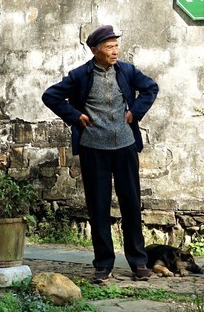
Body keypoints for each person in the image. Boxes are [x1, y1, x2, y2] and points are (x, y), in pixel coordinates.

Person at [43, 25, 160, 283]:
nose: (115, 51)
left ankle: (138, 262)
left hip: (125, 146)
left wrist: (135, 112)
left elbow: (151, 88)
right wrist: (75, 117)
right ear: (95, 51)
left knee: (131, 204)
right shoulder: (80, 76)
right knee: (98, 207)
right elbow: (50, 96)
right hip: (94, 149)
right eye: (109, 47)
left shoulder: (127, 71)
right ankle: (103, 264)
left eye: (116, 46)